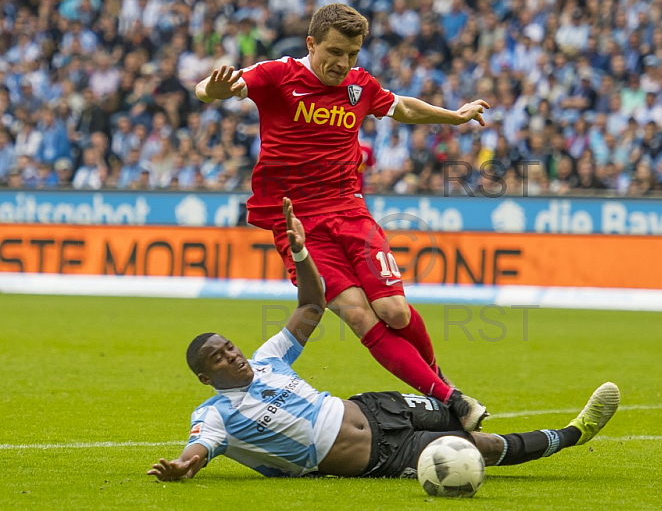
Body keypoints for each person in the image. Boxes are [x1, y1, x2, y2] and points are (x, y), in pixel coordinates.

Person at [146, 198, 621, 481]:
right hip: (377, 455)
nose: (233, 355)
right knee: (481, 447)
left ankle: (443, 386)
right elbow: (198, 450)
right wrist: (185, 467)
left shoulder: (269, 359)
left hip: (376, 407)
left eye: (229, 345)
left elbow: (311, 305)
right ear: (208, 378)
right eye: (220, 358)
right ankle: (572, 435)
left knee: (461, 414)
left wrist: (300, 251)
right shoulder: (214, 415)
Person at [195, 4, 491, 429]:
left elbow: (401, 108)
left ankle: (438, 384)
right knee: (358, 314)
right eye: (335, 52)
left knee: (395, 312)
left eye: (352, 54)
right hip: (297, 222)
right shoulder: (279, 74)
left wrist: (455, 116)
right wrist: (213, 90)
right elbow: (211, 88)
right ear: (311, 43)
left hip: (349, 210)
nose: (343, 63)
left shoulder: (358, 84)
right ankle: (451, 399)